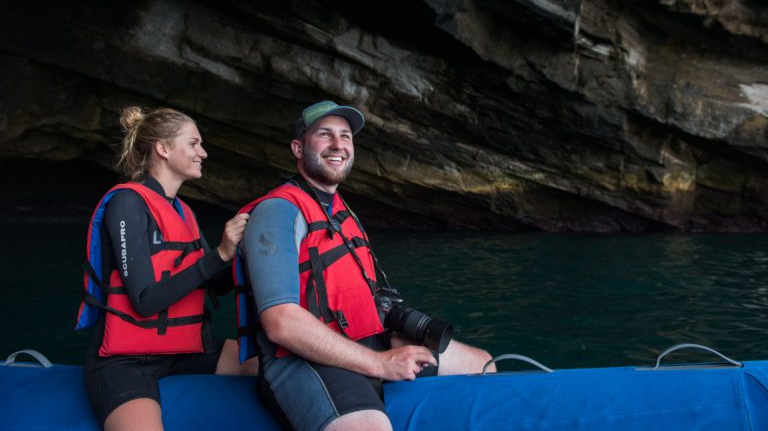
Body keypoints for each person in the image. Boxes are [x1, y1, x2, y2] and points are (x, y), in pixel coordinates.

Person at [235, 100, 496, 431]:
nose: (338, 144)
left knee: (482, 363)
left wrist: (392, 336)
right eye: (325, 135)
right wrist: (379, 364)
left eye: (345, 136)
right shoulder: (278, 212)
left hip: (368, 340)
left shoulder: (342, 211)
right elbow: (281, 323)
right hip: (303, 360)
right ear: (298, 148)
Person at [75, 106, 258, 431]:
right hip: (125, 362)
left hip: (184, 348)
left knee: (270, 364)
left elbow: (212, 284)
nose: (202, 152)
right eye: (193, 143)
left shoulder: (183, 211)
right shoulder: (127, 204)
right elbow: (145, 300)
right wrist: (219, 253)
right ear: (163, 148)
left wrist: (241, 253)